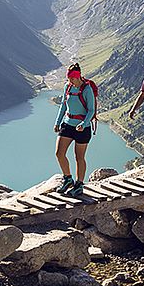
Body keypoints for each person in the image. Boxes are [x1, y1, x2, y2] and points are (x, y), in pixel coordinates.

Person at [53, 63, 96, 196]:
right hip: (68, 124)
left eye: (72, 78)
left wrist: (83, 123)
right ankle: (67, 179)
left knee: (79, 157)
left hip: (82, 128)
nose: (69, 81)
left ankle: (79, 185)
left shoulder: (87, 89)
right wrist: (57, 122)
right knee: (59, 153)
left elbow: (91, 110)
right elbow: (63, 106)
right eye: (68, 79)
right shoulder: (68, 87)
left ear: (78, 77)